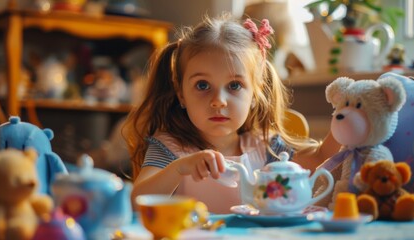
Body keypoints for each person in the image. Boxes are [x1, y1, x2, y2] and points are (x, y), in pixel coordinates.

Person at [123, 13, 340, 213]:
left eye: (234, 86)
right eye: (202, 85)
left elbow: (322, 158)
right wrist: (179, 168)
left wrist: (350, 113)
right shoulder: (170, 148)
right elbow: (135, 202)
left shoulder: (266, 147)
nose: (218, 101)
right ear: (181, 94)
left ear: (255, 93)